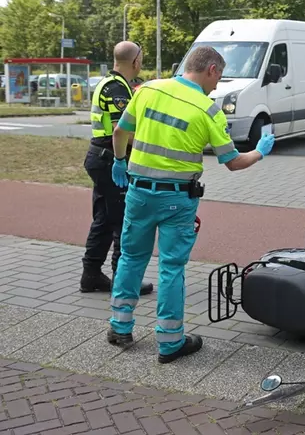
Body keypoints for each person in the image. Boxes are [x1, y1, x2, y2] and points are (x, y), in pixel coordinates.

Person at [106, 46, 275, 364]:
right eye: (219, 77)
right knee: (171, 268)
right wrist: (261, 150)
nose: (217, 85)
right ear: (211, 69)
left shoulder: (148, 89)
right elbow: (233, 162)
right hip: (177, 199)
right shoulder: (208, 109)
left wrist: (118, 161)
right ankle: (170, 343)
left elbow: (120, 131)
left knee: (131, 258)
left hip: (138, 192)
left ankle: (120, 327)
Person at [80, 41, 154, 296]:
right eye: (141, 57)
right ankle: (123, 281)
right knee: (122, 220)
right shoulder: (116, 88)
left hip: (100, 158)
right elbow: (119, 131)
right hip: (110, 160)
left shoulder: (110, 83)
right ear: (136, 61)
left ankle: (91, 275)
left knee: (104, 218)